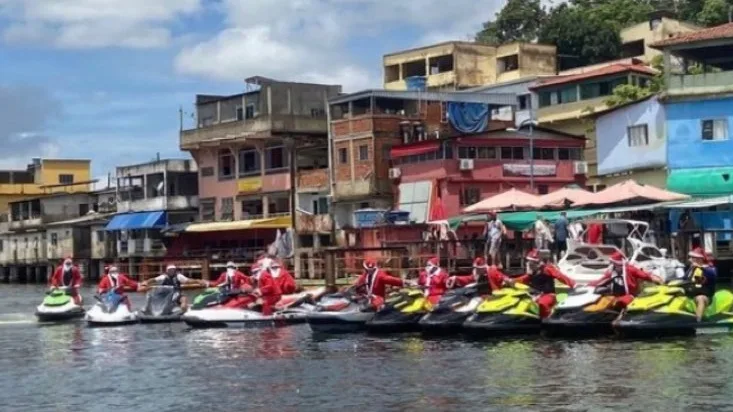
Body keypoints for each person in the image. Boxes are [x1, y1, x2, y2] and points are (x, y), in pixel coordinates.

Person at [588, 251, 663, 319]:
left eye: (615, 263)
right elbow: (602, 280)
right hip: (614, 296)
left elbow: (645, 275)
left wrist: (655, 279)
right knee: (602, 301)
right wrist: (590, 284)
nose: (614, 265)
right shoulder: (612, 270)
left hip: (630, 296)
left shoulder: (630, 269)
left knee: (620, 302)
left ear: (620, 263)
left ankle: (622, 317)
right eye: (613, 263)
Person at [514, 249, 577, 318]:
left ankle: (546, 320)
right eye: (528, 262)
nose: (529, 264)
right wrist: (511, 281)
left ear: (537, 263)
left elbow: (560, 276)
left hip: (549, 294)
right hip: (535, 294)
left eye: (531, 262)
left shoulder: (547, 269)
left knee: (542, 304)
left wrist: (572, 285)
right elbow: (523, 279)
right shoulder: (532, 272)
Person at [140, 264, 207, 312]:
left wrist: (198, 281)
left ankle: (183, 310)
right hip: (165, 295)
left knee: (184, 299)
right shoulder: (163, 277)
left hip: (176, 294)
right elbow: (153, 280)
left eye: (173, 270)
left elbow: (188, 281)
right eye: (170, 270)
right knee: (152, 297)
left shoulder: (179, 276)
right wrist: (146, 282)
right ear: (167, 271)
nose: (172, 271)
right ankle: (149, 309)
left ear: (175, 270)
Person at [448, 257, 513, 294]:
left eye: (478, 268)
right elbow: (469, 279)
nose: (477, 270)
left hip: (494, 295)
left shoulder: (491, 271)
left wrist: (508, 280)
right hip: (481, 296)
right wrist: (456, 278)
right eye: (476, 268)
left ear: (483, 267)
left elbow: (502, 276)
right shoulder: (477, 274)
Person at [685, 247, 717, 322]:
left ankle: (698, 321)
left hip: (705, 294)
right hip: (690, 292)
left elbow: (713, 275)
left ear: (700, 258)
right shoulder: (692, 268)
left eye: (694, 257)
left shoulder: (710, 268)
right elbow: (684, 278)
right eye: (692, 257)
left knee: (700, 298)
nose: (691, 259)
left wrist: (700, 267)